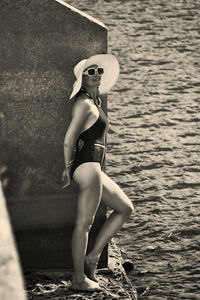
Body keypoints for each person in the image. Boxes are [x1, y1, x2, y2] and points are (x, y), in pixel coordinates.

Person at [62, 54, 134, 292]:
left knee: (125, 208)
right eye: (90, 72)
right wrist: (66, 167)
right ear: (81, 80)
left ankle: (93, 257)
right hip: (87, 167)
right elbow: (69, 139)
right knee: (84, 224)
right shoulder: (83, 103)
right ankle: (79, 279)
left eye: (98, 71)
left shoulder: (95, 102)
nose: (97, 74)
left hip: (94, 168)